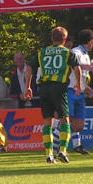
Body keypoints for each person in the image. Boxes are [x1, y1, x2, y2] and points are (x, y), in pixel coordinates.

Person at [24, 26, 82, 164]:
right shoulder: (67, 53)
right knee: (65, 120)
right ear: (65, 39)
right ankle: (62, 150)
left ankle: (49, 154)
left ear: (51, 39)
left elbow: (29, 68)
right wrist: (79, 85)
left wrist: (28, 87)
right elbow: (77, 68)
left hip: (43, 87)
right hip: (59, 87)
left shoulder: (42, 53)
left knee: (47, 122)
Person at [68, 29, 93, 154]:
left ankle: (75, 145)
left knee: (79, 125)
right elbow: (71, 66)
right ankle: (56, 146)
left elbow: (82, 75)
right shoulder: (75, 52)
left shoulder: (86, 55)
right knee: (66, 119)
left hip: (80, 92)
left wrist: (86, 87)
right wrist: (85, 66)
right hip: (71, 90)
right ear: (91, 40)